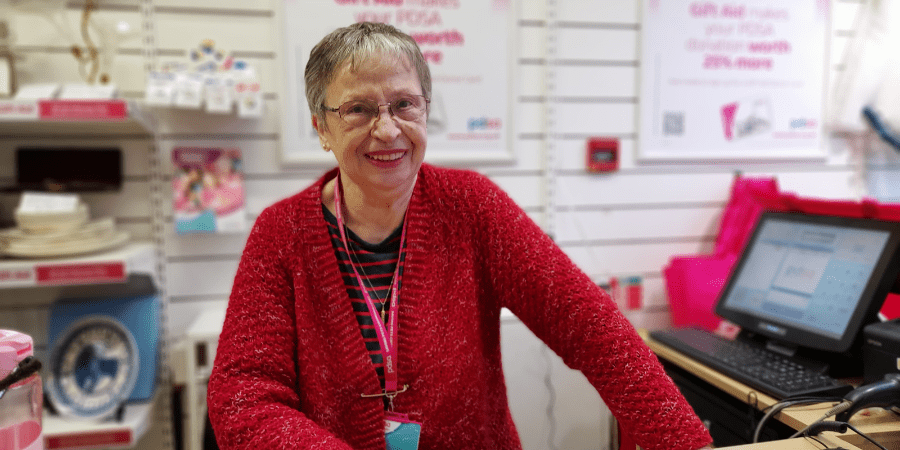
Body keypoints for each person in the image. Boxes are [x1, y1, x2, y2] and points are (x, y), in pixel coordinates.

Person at [207, 22, 713, 450]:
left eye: (404, 104)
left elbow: (592, 328)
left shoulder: (473, 207)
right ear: (321, 127)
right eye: (358, 109)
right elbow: (242, 396)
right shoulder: (281, 233)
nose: (387, 130)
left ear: (425, 110)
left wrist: (684, 443)